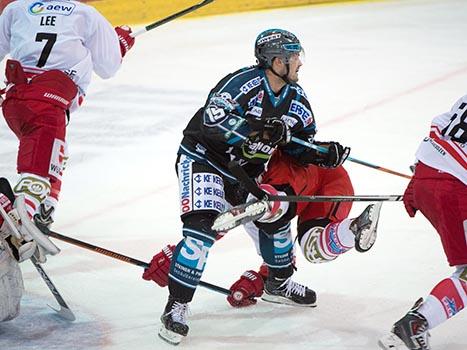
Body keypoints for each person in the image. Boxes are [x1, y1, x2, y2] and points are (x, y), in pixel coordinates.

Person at [143, 28, 353, 345]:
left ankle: (277, 285)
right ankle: (177, 306)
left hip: (246, 173)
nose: (299, 63)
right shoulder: (242, 83)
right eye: (294, 57)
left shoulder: (297, 100)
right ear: (276, 60)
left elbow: (297, 146)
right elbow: (212, 121)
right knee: (201, 231)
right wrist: (258, 131)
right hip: (204, 160)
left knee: (277, 225)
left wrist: (323, 154)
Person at [0, 0, 135, 322]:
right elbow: (107, 67)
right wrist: (120, 44)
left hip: (15, 104)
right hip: (47, 107)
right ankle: (19, 224)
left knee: (52, 161)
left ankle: (40, 212)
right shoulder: (84, 13)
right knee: (36, 177)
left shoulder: (16, 8)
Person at [143, 149, 383, 309]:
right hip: (271, 196)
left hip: (327, 184)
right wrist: (181, 257)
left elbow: (276, 219)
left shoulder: (276, 171)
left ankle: (353, 229)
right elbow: (218, 223)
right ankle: (278, 283)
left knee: (311, 246)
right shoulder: (235, 175)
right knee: (292, 237)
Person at [378, 94, 467, 350]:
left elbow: (439, 125)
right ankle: (416, 322)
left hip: (426, 173)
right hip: (452, 188)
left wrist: (423, 176)